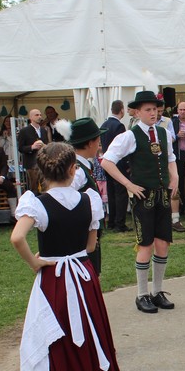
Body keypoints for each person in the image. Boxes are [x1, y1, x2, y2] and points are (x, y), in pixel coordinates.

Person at [12, 141, 131, 371]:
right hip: (83, 278)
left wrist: (34, 261)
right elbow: (91, 247)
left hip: (53, 282)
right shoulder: (89, 201)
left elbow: (17, 237)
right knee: (90, 346)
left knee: (57, 348)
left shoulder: (36, 204)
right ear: (71, 170)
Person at [101, 88, 178, 314]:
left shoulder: (164, 133)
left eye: (155, 109)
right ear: (136, 112)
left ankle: (158, 291)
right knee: (145, 245)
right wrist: (128, 184)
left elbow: (171, 158)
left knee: (163, 244)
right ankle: (141, 294)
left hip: (163, 196)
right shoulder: (129, 136)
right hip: (143, 198)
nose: (153, 113)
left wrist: (173, 176)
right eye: (148, 110)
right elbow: (106, 161)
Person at [63, 118, 105, 275]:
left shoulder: (83, 167)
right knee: (88, 275)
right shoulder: (78, 171)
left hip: (88, 233)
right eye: (98, 141)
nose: (99, 145)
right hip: (83, 235)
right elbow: (64, 196)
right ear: (89, 144)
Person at [100, 101, 130, 232]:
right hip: (118, 164)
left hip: (106, 162)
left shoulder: (104, 124)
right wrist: (127, 164)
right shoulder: (119, 126)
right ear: (121, 110)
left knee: (111, 192)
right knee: (121, 193)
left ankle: (111, 220)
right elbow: (122, 148)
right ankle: (120, 223)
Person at [17, 108, 49, 194]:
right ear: (31, 117)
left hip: (43, 163)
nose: (39, 117)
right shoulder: (24, 131)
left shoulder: (43, 130)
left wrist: (45, 146)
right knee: (34, 186)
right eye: (37, 115)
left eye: (40, 115)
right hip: (31, 163)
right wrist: (32, 147)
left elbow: (47, 144)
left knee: (45, 186)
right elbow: (20, 148)